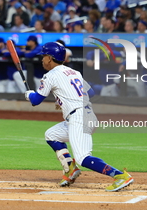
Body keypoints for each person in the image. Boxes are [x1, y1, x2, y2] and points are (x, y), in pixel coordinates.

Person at [24, 42, 133, 191]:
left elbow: (36, 100)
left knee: (83, 157)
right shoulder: (74, 72)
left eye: (44, 56)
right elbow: (91, 93)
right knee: (51, 135)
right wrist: (66, 98)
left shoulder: (50, 75)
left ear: (50, 58)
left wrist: (28, 94)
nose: (42, 59)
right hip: (86, 115)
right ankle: (70, 168)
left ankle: (120, 176)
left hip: (79, 117)